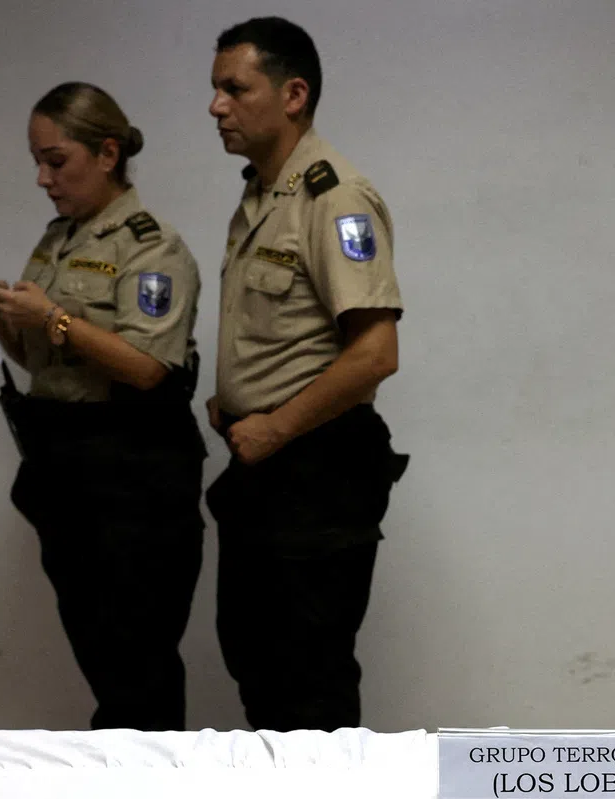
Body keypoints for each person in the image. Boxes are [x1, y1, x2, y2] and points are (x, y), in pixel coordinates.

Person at [0, 82, 205, 730]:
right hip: (65, 470)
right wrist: (0, 320)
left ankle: (150, 792)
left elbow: (147, 367)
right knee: (101, 650)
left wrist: (50, 315)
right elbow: (46, 363)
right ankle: (116, 784)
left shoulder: (149, 247)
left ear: (107, 154)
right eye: (37, 161)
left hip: (134, 475)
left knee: (140, 658)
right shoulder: (57, 239)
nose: (43, 178)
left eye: (56, 160)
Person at [207, 18, 407, 731]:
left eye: (235, 88)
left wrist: (274, 425)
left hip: (314, 469)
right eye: (215, 90)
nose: (216, 106)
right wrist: (233, 398)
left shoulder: (334, 198)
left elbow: (374, 354)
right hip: (263, 466)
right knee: (257, 662)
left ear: (293, 94)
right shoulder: (262, 197)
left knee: (309, 681)